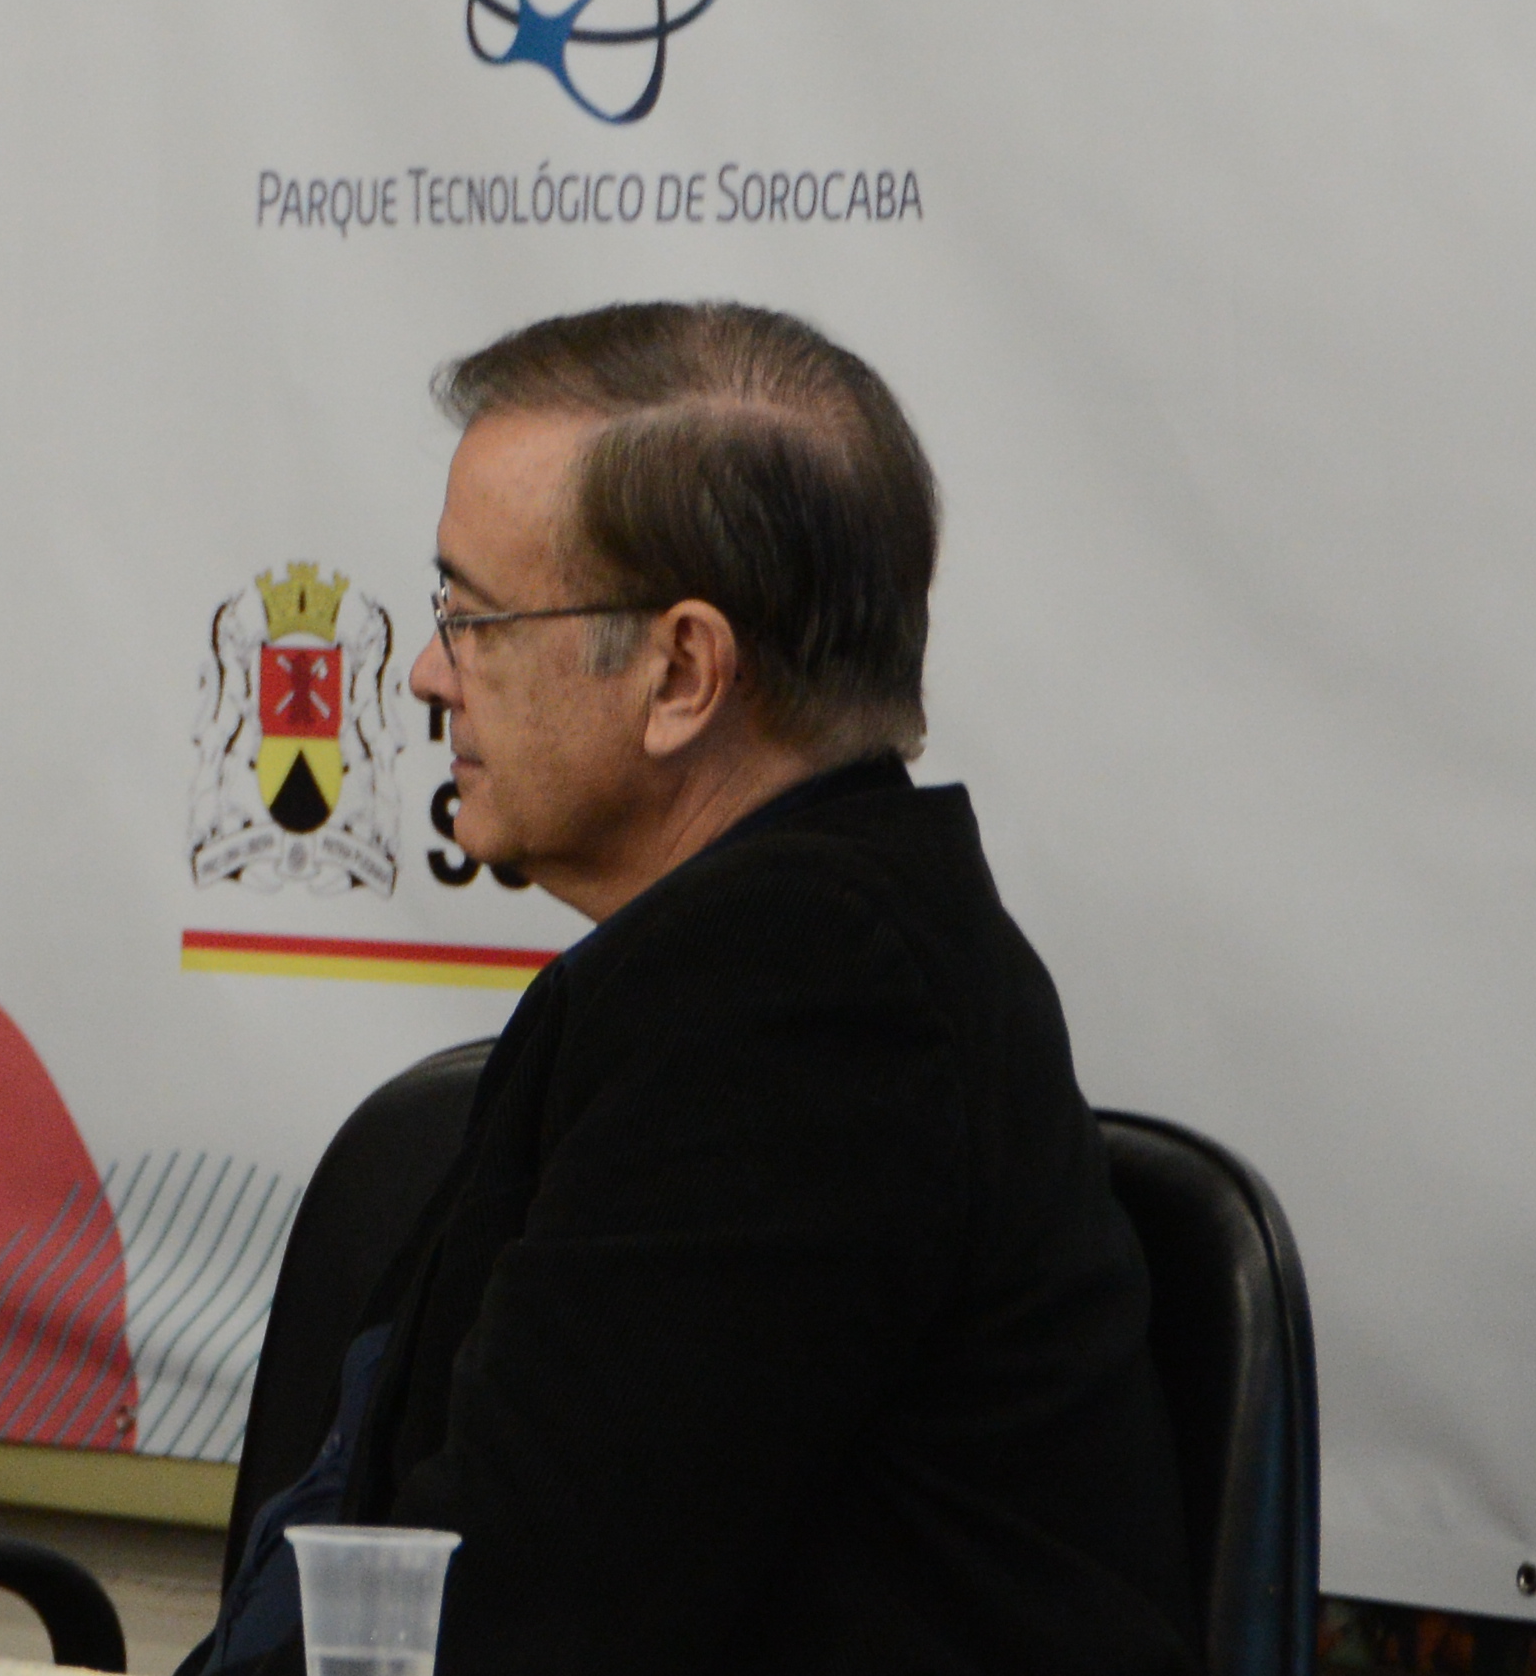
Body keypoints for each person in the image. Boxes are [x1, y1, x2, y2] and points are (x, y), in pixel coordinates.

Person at [190, 302, 1196, 1676]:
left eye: (472, 620)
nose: (426, 675)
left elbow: (520, 1615)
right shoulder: (786, 950)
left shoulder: (807, 1001)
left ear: (680, 672)